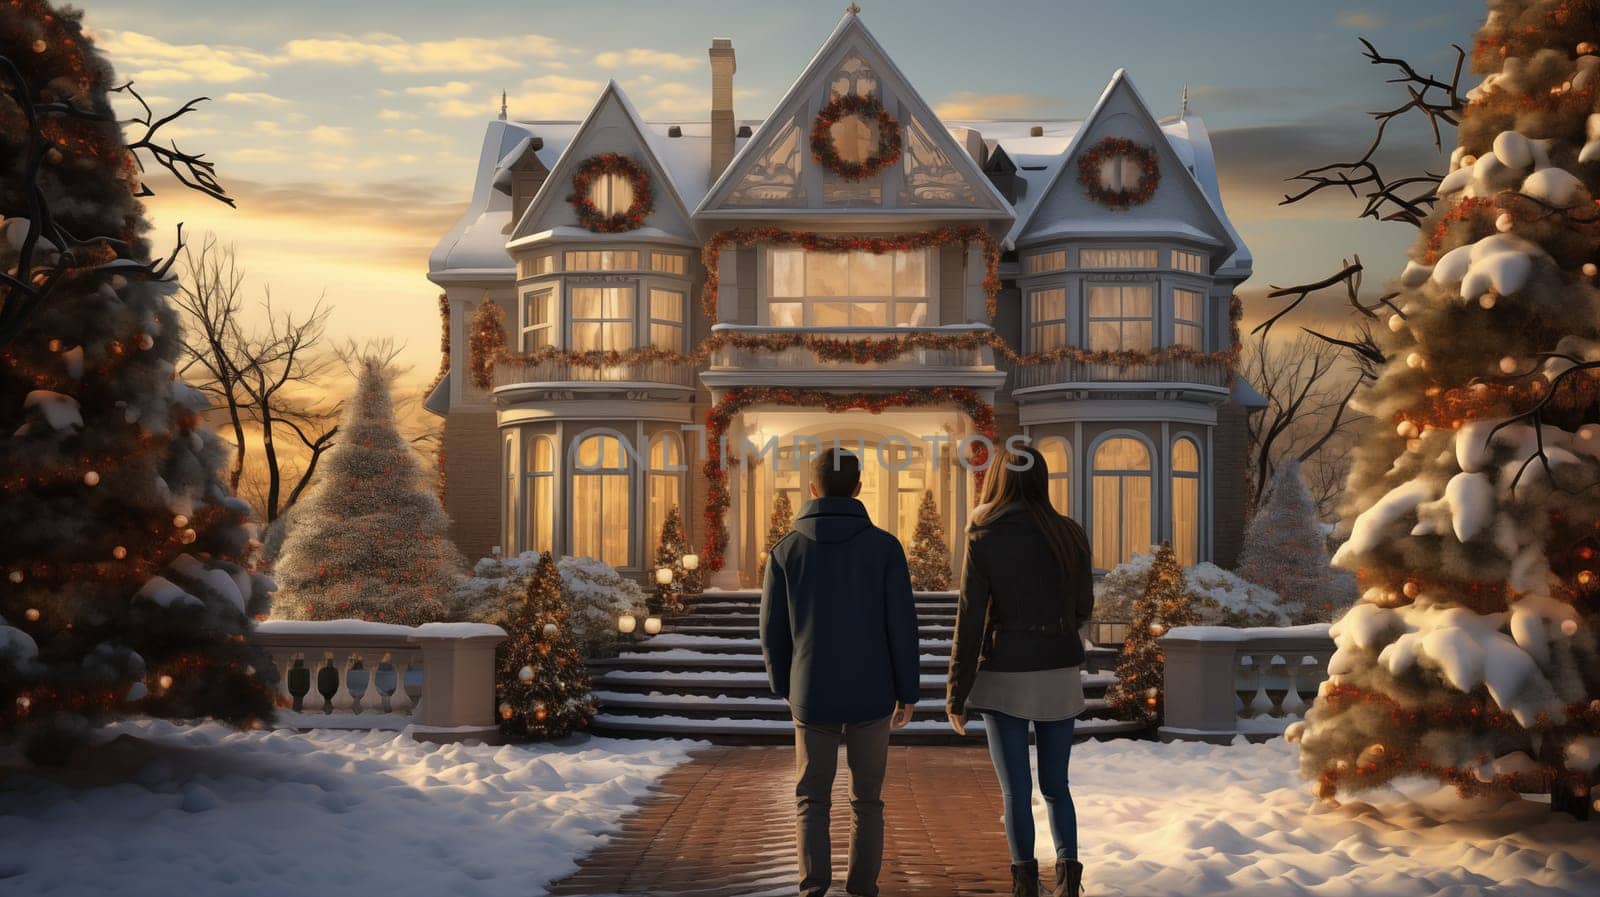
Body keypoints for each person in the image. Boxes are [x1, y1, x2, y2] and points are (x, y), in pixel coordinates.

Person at [761, 447, 920, 897]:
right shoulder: (885, 547)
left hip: (812, 691)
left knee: (812, 798)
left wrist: (784, 684)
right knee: (867, 799)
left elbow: (772, 630)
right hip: (873, 691)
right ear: (858, 488)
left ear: (811, 489)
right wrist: (907, 690)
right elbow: (902, 626)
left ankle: (813, 888)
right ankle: (862, 887)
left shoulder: (785, 550)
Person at [947, 444, 1094, 897]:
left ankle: (1025, 884)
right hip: (1058, 670)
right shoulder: (1070, 533)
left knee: (1016, 790)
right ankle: (1069, 880)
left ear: (999, 480)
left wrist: (957, 690)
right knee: (1056, 785)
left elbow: (970, 616)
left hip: (1005, 671)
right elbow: (1084, 606)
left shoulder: (984, 534)